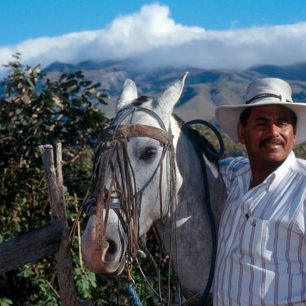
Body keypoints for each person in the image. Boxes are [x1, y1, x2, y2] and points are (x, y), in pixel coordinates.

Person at [213, 77, 306, 305]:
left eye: (282, 123)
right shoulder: (235, 175)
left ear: (293, 133)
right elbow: (206, 165)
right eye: (261, 123)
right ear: (242, 133)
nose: (273, 132)